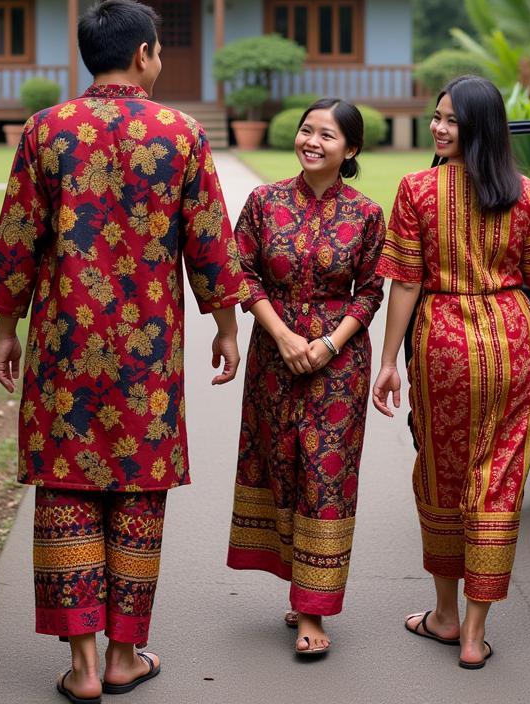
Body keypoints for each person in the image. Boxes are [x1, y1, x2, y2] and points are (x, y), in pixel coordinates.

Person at [0, 0, 247, 702]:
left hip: (65, 347)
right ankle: (125, 655)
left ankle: (84, 666)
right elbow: (211, 242)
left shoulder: (47, 130)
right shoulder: (180, 132)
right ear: (144, 54)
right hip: (147, 355)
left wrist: (8, 326)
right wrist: (226, 324)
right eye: (157, 52)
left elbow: (17, 238)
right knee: (136, 493)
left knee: (67, 487)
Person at [371, 75, 530, 670]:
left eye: (450, 121)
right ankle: (473, 632)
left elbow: (407, 281)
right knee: (498, 481)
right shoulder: (523, 191)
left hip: (444, 345)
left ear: (477, 127)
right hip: (514, 345)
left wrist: (389, 360)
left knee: (442, 473)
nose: (437, 128)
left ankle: (443, 616)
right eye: (436, 117)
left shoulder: (417, 190)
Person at [227, 98, 386, 657]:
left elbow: (370, 291)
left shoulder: (366, 214)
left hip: (339, 366)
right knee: (284, 469)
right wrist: (283, 336)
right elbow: (242, 273)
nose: (311, 142)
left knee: (327, 477)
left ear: (351, 150)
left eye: (327, 135)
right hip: (275, 358)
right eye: (305, 131)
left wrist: (326, 343)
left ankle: (314, 610)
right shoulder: (264, 202)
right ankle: (299, 584)